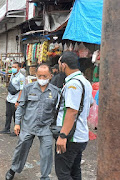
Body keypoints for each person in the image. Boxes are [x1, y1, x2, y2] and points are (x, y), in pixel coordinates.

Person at [5, 64, 59, 180]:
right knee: (21, 148)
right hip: (28, 125)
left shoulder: (55, 92)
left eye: (45, 76)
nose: (42, 78)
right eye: (40, 76)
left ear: (50, 76)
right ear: (36, 75)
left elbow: (58, 111)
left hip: (46, 127)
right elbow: (21, 106)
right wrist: (17, 123)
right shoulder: (28, 88)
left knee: (47, 153)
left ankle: (45, 177)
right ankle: (13, 170)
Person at [55, 52, 93, 180]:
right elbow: (90, 104)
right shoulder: (85, 82)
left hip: (71, 137)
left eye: (60, 64)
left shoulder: (73, 84)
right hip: (80, 135)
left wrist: (62, 136)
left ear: (64, 65)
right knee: (75, 171)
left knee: (63, 173)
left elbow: (72, 111)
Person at [0, 62, 26, 136]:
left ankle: (17, 131)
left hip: (15, 100)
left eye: (15, 67)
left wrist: (18, 101)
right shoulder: (12, 76)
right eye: (12, 67)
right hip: (9, 98)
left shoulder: (21, 77)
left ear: (19, 68)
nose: (13, 68)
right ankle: (6, 129)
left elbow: (22, 90)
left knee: (16, 116)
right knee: (8, 114)